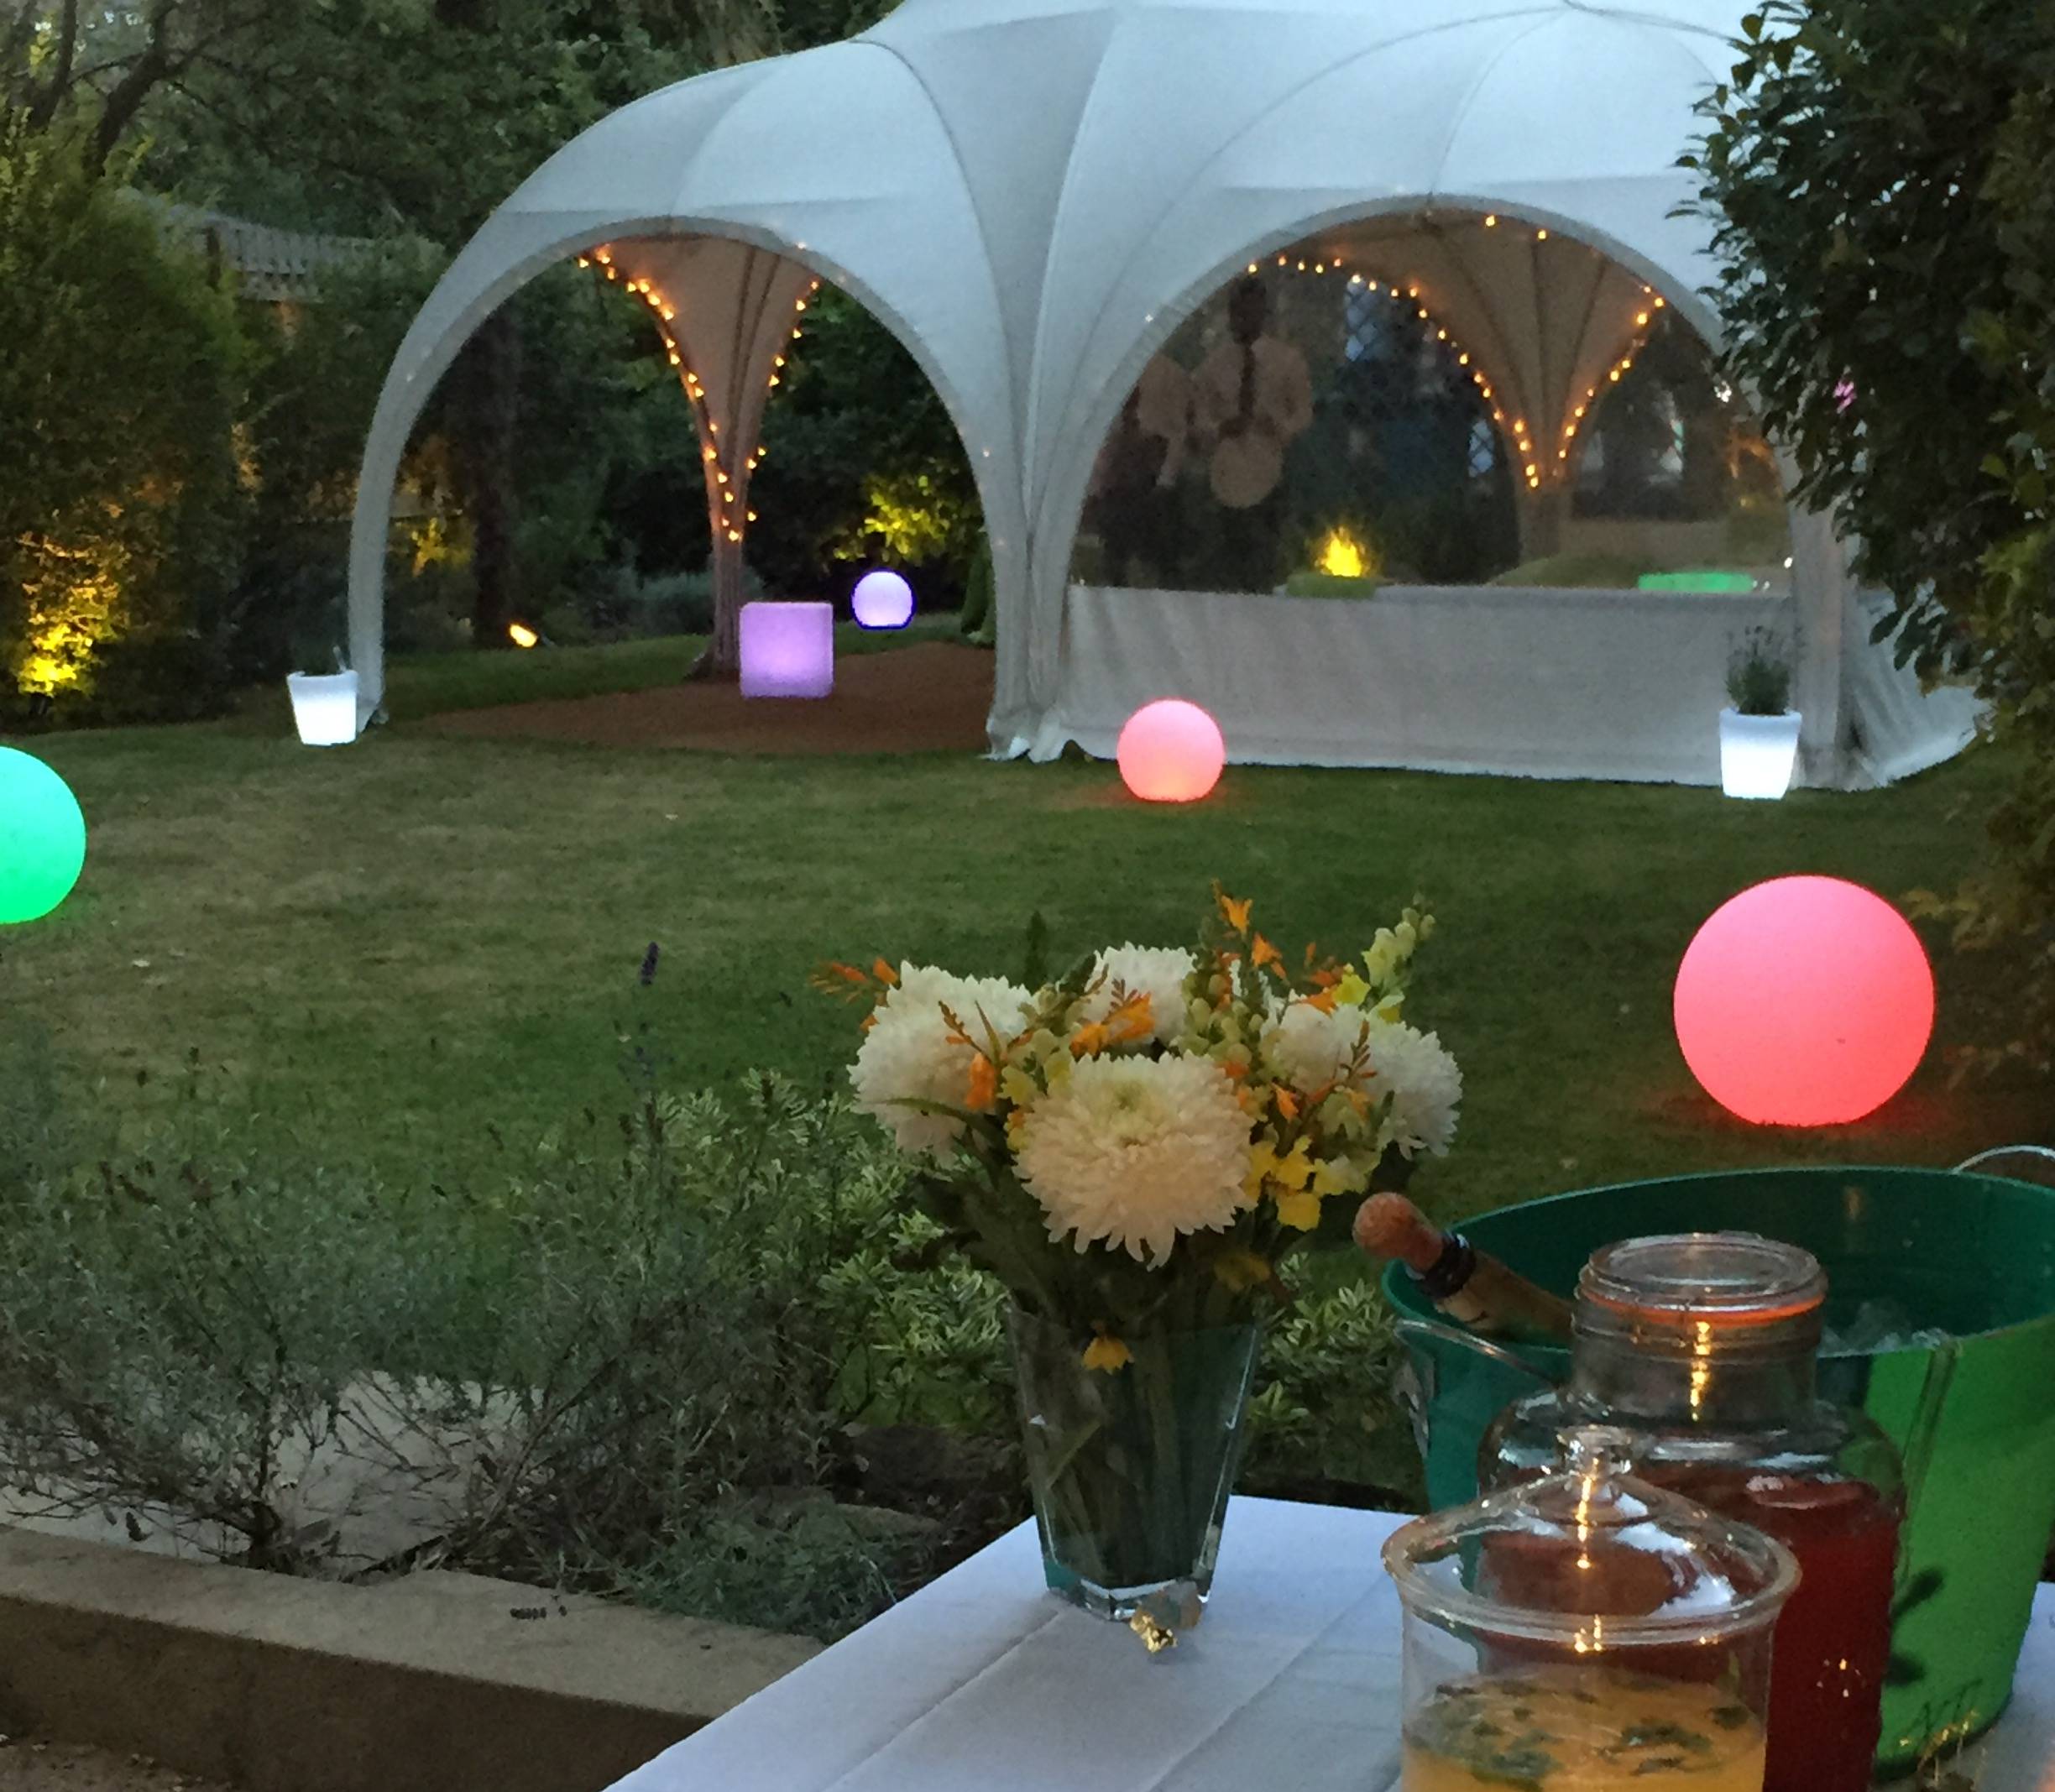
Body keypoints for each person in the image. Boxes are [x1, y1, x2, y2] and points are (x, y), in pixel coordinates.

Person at [1193, 276, 1313, 591]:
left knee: (1264, 556)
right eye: (1238, 312)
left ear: (1263, 313)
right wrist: (1220, 428)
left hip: (1269, 466)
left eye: (1251, 311)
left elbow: (1303, 412)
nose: (1244, 318)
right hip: (1227, 471)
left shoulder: (1287, 361)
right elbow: (1200, 416)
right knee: (1228, 558)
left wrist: (1280, 427)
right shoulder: (1214, 365)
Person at [1085, 354, 1190, 586]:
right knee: (1115, 559)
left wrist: (1165, 481)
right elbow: (1107, 442)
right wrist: (1096, 489)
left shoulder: (1170, 374)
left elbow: (1178, 434)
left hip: (1151, 482)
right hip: (1118, 486)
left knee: (1158, 560)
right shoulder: (1111, 370)